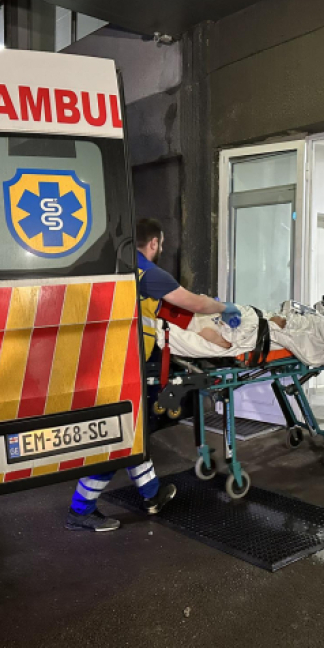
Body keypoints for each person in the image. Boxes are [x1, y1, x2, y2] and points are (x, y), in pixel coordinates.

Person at [66, 218, 243, 532]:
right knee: (119, 441)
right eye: (160, 243)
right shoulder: (147, 272)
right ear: (153, 243)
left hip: (103, 364)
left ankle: (152, 494)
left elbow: (164, 313)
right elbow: (194, 302)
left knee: (132, 435)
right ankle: (80, 510)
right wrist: (223, 307)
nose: (161, 248)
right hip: (120, 369)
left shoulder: (115, 269)